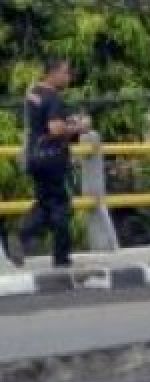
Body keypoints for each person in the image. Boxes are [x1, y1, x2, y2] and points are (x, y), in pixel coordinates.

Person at [10, 58, 89, 268]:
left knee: (46, 202)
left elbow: (41, 123)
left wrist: (67, 123)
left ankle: (22, 237)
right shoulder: (53, 97)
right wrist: (78, 127)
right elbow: (55, 128)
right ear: (52, 73)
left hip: (35, 156)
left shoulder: (33, 92)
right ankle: (59, 256)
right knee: (62, 206)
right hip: (53, 159)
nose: (69, 77)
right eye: (65, 73)